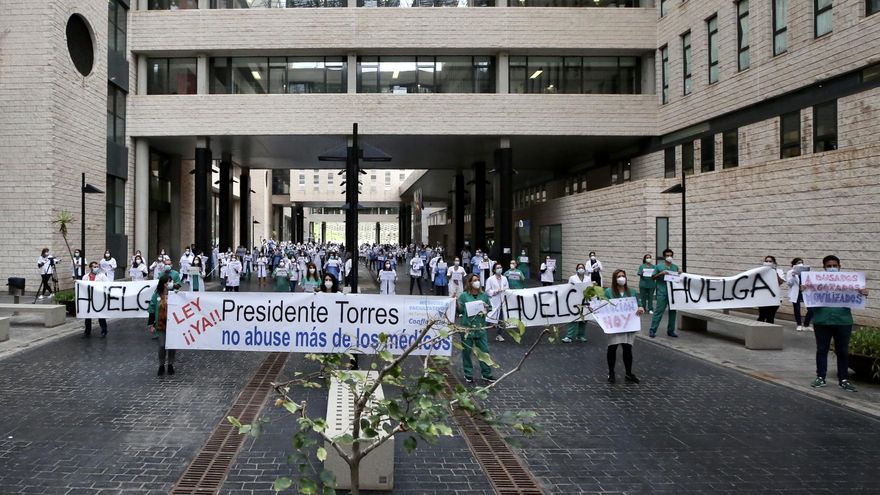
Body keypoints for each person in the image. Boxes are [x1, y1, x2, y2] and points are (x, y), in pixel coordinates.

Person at [805, 255, 869, 392]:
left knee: (843, 351)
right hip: (822, 320)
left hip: (843, 321)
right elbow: (807, 296)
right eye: (829, 266)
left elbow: (859, 294)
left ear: (840, 266)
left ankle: (844, 379)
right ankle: (821, 377)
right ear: (824, 268)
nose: (832, 268)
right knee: (822, 350)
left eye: (834, 265)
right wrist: (804, 289)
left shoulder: (849, 283)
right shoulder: (816, 282)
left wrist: (863, 292)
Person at [604, 269, 644, 384]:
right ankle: (611, 373)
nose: (621, 278)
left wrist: (641, 308)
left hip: (628, 325)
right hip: (615, 326)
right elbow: (603, 305)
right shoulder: (608, 292)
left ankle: (628, 373)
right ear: (614, 279)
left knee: (628, 349)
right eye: (618, 276)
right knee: (612, 348)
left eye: (623, 276)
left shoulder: (631, 292)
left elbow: (639, 304)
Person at [456, 273, 496, 384]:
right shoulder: (464, 296)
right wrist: (455, 303)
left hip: (480, 328)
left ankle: (486, 374)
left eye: (478, 280)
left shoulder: (483, 296)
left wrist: (487, 308)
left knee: (484, 351)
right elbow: (460, 310)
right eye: (474, 280)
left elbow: (490, 308)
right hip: (467, 328)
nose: (477, 282)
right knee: (467, 352)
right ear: (469, 283)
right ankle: (468, 374)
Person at [648, 248, 679, 338]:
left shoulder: (675, 267)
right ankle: (652, 329)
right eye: (667, 255)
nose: (669, 257)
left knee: (673, 311)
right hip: (662, 292)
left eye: (670, 255)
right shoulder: (659, 266)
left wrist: (680, 273)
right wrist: (660, 273)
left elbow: (677, 279)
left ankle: (671, 330)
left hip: (672, 293)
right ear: (664, 257)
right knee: (659, 311)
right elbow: (653, 277)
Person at [150, 274, 177, 376]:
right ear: (163, 283)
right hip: (161, 323)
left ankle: (170, 364)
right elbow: (152, 309)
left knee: (172, 345)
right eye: (167, 282)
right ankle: (161, 365)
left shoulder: (175, 293)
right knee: (161, 345)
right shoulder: (156, 294)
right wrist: (152, 324)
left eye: (170, 282)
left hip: (173, 323)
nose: (169, 284)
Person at [562, 263, 590, 343]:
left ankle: (580, 336)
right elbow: (568, 288)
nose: (581, 269)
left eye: (582, 267)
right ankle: (569, 336)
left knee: (583, 319)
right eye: (579, 267)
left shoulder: (588, 278)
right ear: (576, 269)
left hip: (585, 301)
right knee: (573, 319)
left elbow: (590, 289)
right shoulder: (572, 278)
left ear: (584, 269)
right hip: (574, 300)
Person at [81, 261, 108, 338]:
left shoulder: (102, 276)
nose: (96, 268)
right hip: (89, 298)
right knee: (88, 315)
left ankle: (104, 330)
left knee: (100, 315)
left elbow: (108, 285)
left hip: (99, 298)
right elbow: (82, 286)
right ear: (90, 268)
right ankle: (87, 331)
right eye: (94, 267)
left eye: (97, 267)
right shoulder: (85, 277)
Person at [484, 262, 510, 342]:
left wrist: (505, 290)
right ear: (494, 270)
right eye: (498, 268)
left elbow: (507, 288)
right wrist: (495, 291)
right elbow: (487, 291)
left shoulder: (504, 278)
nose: (499, 269)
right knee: (489, 317)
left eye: (500, 267)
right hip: (494, 301)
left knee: (501, 319)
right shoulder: (490, 279)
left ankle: (499, 335)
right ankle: (482, 334)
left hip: (502, 301)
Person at [787, 257, 814, 332]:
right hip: (796, 292)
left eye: (801, 262)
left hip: (805, 292)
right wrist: (793, 275)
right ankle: (799, 324)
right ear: (794, 264)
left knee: (811, 309)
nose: (800, 264)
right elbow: (789, 284)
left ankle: (806, 324)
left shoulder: (806, 272)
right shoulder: (790, 272)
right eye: (798, 263)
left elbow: (810, 282)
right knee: (797, 309)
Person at [757, 255, 786, 324]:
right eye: (766, 261)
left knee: (770, 317)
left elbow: (780, 282)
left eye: (770, 261)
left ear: (774, 263)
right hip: (763, 297)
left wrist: (774, 271)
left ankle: (768, 333)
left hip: (775, 297)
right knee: (762, 316)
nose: (768, 262)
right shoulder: (761, 271)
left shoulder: (779, 271)